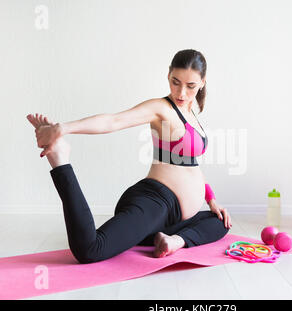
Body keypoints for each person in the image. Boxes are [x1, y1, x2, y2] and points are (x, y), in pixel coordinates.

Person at [26, 49, 232, 264]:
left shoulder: (191, 115)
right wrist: (62, 128)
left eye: (190, 86)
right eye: (175, 82)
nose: (181, 93)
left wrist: (211, 200)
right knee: (90, 250)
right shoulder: (160, 108)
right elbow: (113, 121)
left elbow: (191, 165)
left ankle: (174, 241)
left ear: (202, 82)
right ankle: (60, 160)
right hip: (155, 202)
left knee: (220, 221)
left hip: (173, 217)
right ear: (168, 75)